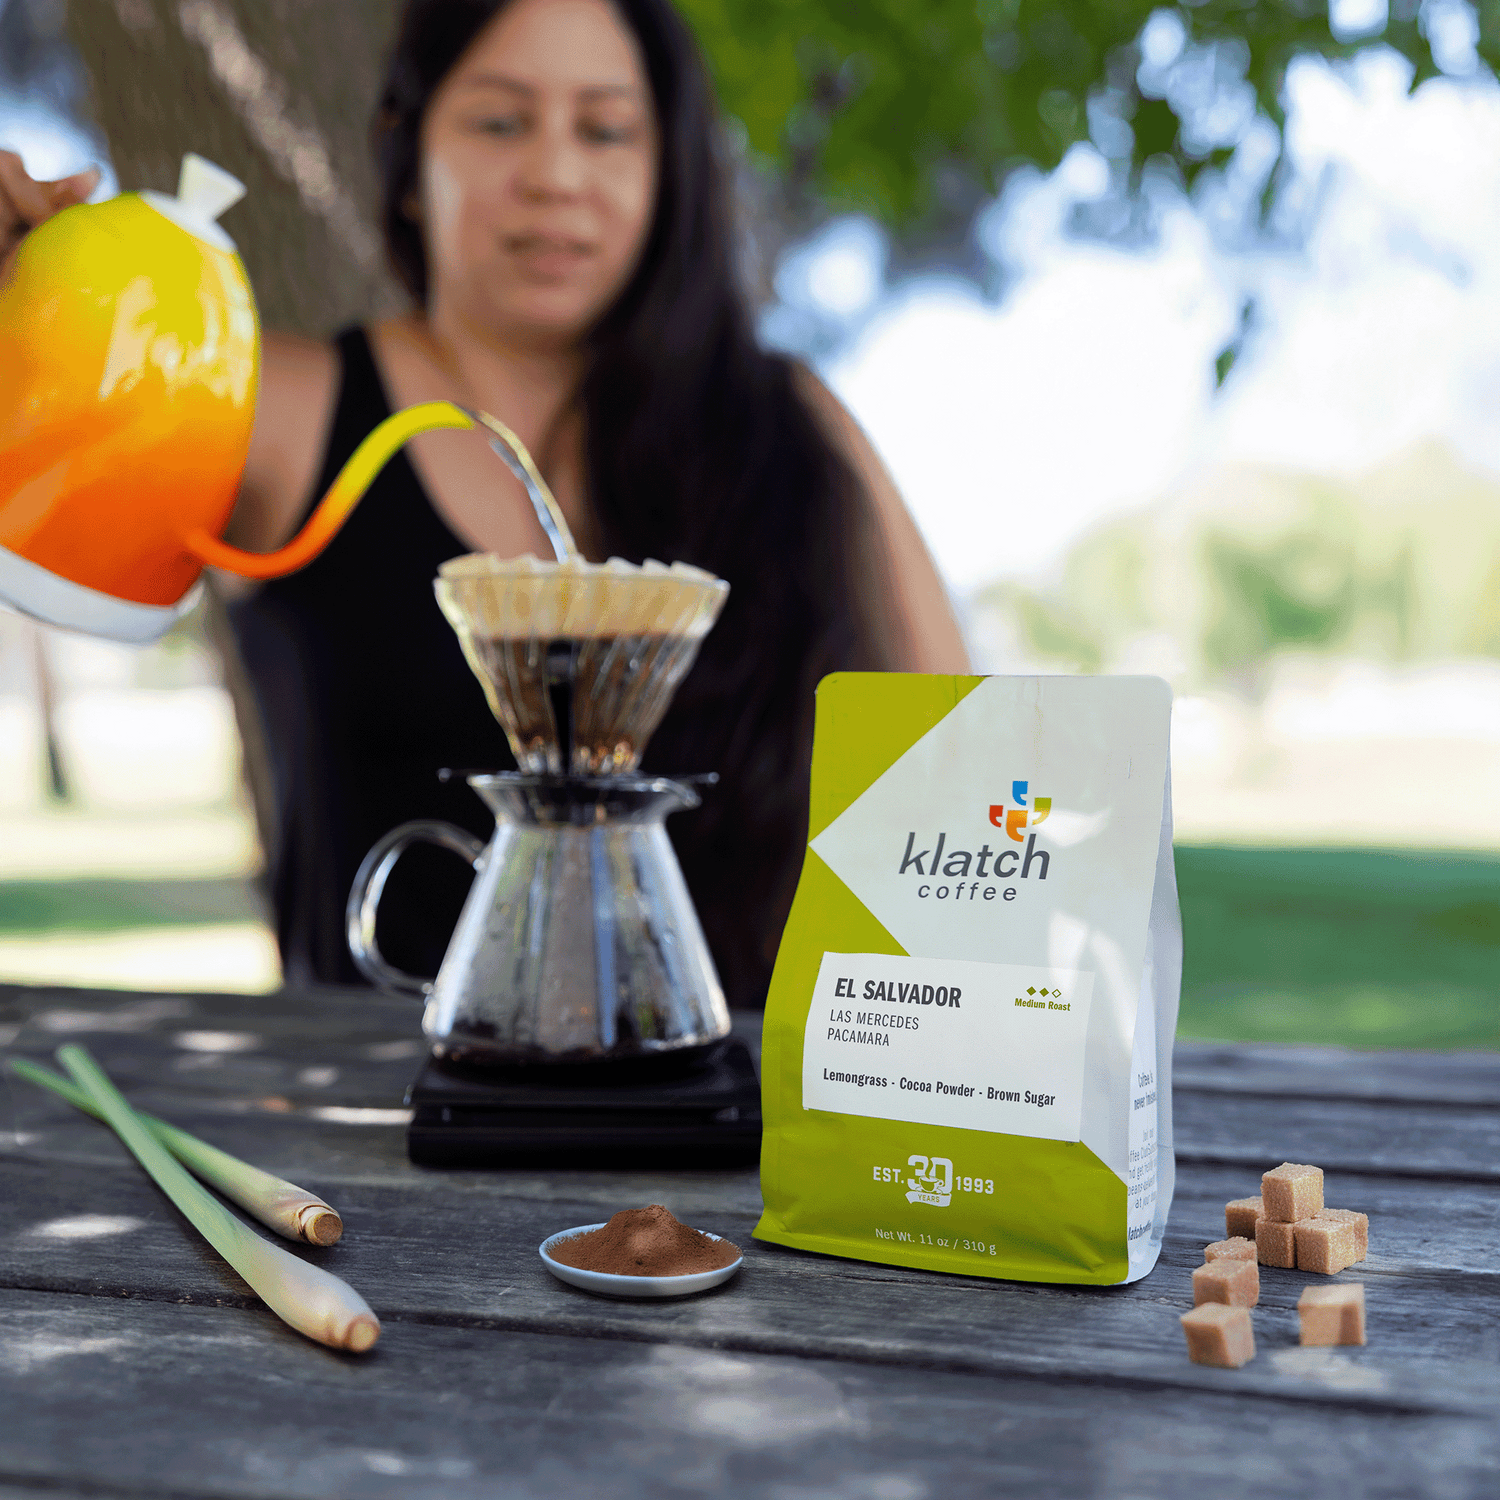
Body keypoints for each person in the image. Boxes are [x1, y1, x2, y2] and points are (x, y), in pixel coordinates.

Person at [1, 0, 968, 1008]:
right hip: (371, 1138)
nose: (554, 175)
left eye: (605, 128)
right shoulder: (268, 406)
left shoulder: (790, 424)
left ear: (667, 171)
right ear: (408, 155)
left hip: (749, 1132)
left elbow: (954, 764)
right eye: (501, 122)